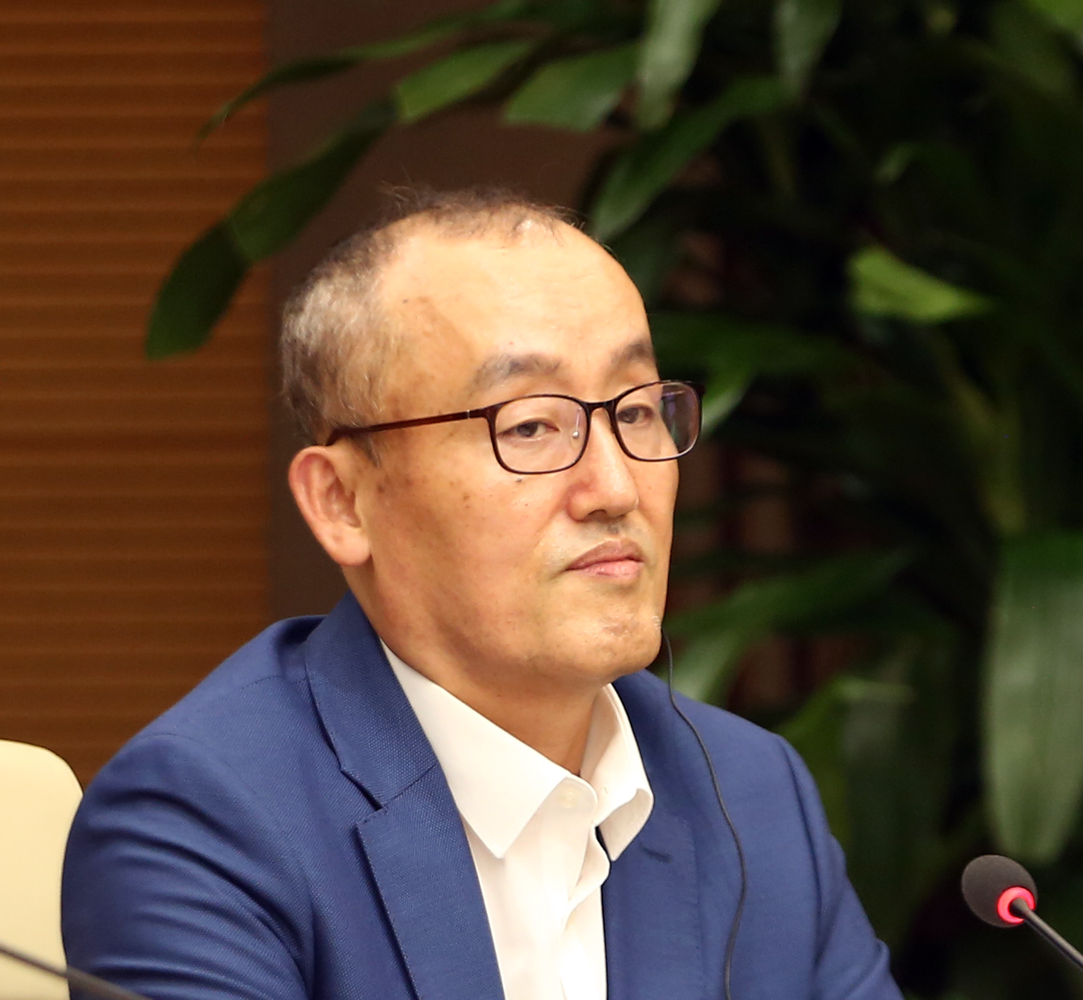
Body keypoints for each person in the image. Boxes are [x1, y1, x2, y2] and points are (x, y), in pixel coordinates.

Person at [61, 189, 901, 1000]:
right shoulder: (205, 818)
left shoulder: (752, 793)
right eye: (530, 425)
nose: (616, 488)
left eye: (638, 412)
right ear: (343, 502)